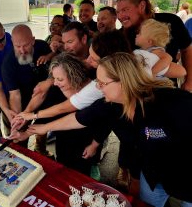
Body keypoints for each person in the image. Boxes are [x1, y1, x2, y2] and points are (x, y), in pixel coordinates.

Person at [22, 52, 192, 207]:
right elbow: (78, 118)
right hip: (152, 176)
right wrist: (42, 126)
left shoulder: (174, 102)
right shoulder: (111, 105)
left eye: (102, 83)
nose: (98, 88)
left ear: (124, 81)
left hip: (186, 177)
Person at [116, 0, 192, 91]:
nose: (120, 16)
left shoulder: (170, 21)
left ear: (142, 6)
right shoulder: (120, 35)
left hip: (167, 91)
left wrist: (189, 82)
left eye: (125, 10)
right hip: (135, 95)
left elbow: (187, 49)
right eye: (118, 12)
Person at [1, 24, 54, 157]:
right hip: (23, 102)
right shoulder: (8, 63)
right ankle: (21, 156)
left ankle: (40, 150)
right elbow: (14, 95)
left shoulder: (42, 46)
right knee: (20, 134)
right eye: (17, 46)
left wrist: (51, 55)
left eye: (26, 45)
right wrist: (19, 118)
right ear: (12, 43)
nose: (22, 50)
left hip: (46, 97)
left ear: (33, 41)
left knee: (43, 128)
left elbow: (54, 59)